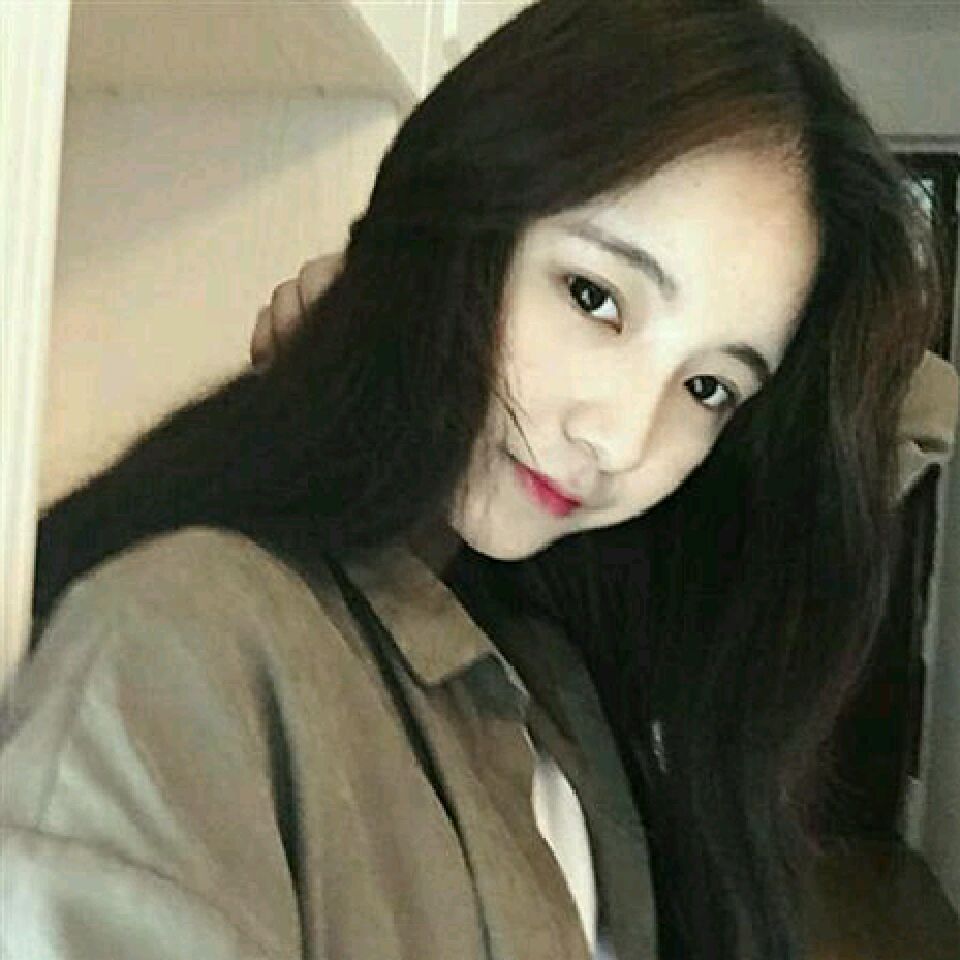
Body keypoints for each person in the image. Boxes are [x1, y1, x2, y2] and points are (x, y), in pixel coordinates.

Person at [1, 1, 952, 959]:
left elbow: (888, 415)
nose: (620, 438)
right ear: (463, 218)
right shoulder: (190, 648)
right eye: (594, 297)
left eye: (709, 387)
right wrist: (393, 287)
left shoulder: (547, 668)